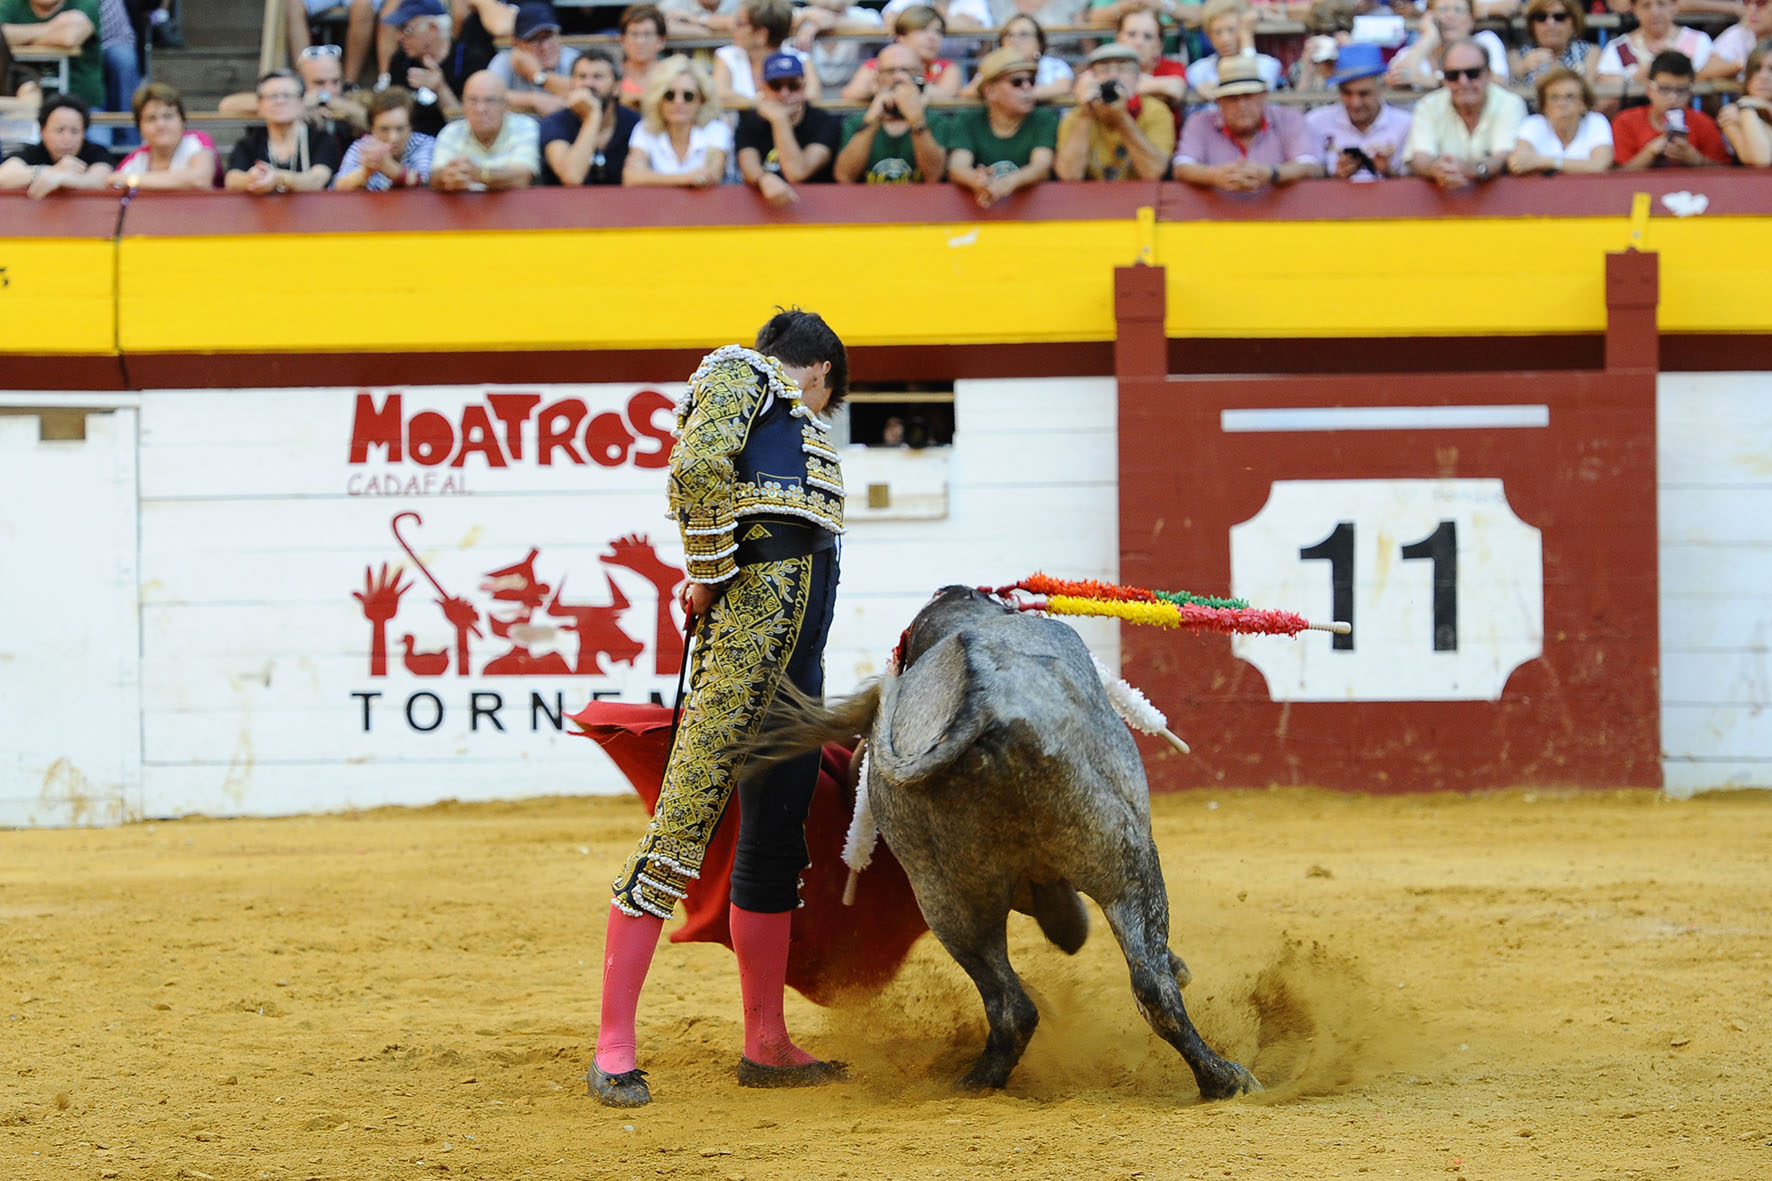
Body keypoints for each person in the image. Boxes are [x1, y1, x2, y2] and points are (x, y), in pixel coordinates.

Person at [591, 309, 851, 1109]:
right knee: (678, 834)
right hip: (743, 660)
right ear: (821, 374)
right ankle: (612, 1047)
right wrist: (706, 575)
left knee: (774, 847)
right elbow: (697, 469)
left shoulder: (801, 441)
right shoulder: (745, 371)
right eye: (827, 393)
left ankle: (765, 1043)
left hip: (797, 677)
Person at [1174, 53, 1322, 191]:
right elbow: (1181, 166)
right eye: (1232, 98)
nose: (1242, 106)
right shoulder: (1200, 122)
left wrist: (1272, 174)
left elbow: (1310, 165)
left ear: (1263, 95)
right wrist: (1215, 176)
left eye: (1248, 96)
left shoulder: (1290, 119)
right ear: (1219, 101)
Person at [1402, 38, 1526, 187]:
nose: (1463, 82)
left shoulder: (1510, 104)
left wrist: (1472, 170)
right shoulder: (1428, 105)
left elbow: (1503, 157)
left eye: (1472, 73)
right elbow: (1420, 157)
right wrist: (1436, 170)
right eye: (1453, 75)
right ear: (1444, 79)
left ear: (1488, 74)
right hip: (1443, 199)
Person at [945, 45, 1058, 208]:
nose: (1027, 87)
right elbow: (957, 167)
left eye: (1031, 80)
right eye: (1017, 82)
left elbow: (1041, 166)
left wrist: (1009, 182)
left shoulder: (1044, 119)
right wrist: (977, 181)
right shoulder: (967, 120)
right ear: (990, 91)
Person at [1054, 42, 1174, 180]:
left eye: (1123, 69)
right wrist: (1085, 115)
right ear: (1091, 77)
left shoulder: (1156, 111)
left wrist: (1121, 118)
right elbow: (1068, 176)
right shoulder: (1077, 115)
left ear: (1137, 77)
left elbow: (1155, 172)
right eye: (1104, 70)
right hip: (1092, 198)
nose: (1113, 76)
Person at [833, 40, 946, 182]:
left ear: (921, 75)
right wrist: (872, 119)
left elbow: (934, 176)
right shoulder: (856, 121)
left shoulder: (937, 121)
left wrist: (916, 118)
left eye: (906, 70)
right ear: (877, 76)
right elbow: (844, 177)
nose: (898, 77)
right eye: (890, 71)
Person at [736, 51, 840, 203]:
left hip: (819, 211)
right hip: (763, 212)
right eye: (775, 86)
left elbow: (796, 173)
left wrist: (780, 120)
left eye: (793, 85)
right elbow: (748, 164)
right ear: (763, 88)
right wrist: (763, 178)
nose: (784, 93)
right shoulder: (750, 122)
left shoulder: (825, 122)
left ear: (804, 86)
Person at [1305, 42, 1412, 179]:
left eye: (1364, 94)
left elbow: (1415, 188)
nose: (1355, 103)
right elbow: (1308, 184)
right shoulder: (1316, 122)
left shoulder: (1406, 124)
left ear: (1382, 88)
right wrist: (1336, 178)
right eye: (1347, 93)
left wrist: (1388, 172)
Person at [225, 69, 342, 192]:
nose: (280, 101)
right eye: (272, 97)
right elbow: (231, 179)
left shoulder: (321, 139)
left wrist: (279, 178)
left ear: (302, 102)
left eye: (287, 95)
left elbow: (318, 179)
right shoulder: (249, 143)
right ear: (260, 106)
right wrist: (250, 178)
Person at [622, 53, 728, 186]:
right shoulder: (644, 129)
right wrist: (688, 178)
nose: (678, 102)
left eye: (688, 96)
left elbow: (712, 176)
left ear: (701, 99)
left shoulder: (716, 130)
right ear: (659, 99)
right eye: (669, 95)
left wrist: (650, 178)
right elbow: (631, 178)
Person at [1612, 49, 1730, 167]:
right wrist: (1650, 153)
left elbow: (1727, 174)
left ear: (1690, 92)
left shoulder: (1704, 124)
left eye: (1681, 90)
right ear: (1649, 89)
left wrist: (1696, 160)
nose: (1673, 98)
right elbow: (1617, 177)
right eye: (1664, 89)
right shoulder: (1625, 121)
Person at [539, 46, 639, 184]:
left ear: (616, 87)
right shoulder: (555, 123)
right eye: (581, 76)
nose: (588, 83)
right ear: (572, 84)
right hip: (566, 204)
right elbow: (572, 177)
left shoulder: (635, 124)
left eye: (598, 77)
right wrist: (592, 116)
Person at [429, 68, 539, 187]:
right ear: (463, 104)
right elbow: (434, 176)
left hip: (513, 205)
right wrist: (448, 176)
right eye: (473, 100)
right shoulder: (451, 131)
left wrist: (481, 175)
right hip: (463, 205)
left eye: (490, 100)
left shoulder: (525, 127)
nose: (480, 109)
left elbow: (522, 177)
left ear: (505, 105)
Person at [840, 4, 962, 103]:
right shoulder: (877, 65)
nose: (933, 37)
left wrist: (891, 82)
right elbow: (850, 94)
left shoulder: (949, 68)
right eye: (922, 30)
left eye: (938, 32)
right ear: (901, 37)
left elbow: (946, 96)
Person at [108, 80, 216, 189]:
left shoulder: (197, 141)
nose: (160, 124)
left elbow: (200, 179)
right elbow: (114, 182)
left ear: (183, 120)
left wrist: (133, 180)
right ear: (140, 127)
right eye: (151, 118)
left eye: (168, 116)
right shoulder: (135, 160)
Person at [0, 91, 111, 195]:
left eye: (75, 131)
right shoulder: (31, 153)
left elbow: (100, 180)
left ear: (84, 132)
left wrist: (62, 178)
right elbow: (3, 176)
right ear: (42, 130)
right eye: (59, 130)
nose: (67, 138)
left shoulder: (97, 152)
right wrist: (48, 171)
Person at [0, 0, 103, 110]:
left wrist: (21, 39)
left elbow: (68, 38)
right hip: (20, 104)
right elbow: (2, 34)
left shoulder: (85, 3)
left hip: (80, 107)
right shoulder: (10, 3)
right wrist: (50, 27)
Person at [379, 0, 462, 137]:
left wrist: (441, 89)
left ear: (432, 29)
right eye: (398, 29)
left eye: (406, 29)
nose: (399, 37)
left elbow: (464, 128)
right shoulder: (400, 61)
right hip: (409, 145)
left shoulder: (467, 59)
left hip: (453, 145)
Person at [1507, 66, 1612, 172]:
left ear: (1583, 103)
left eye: (1569, 97)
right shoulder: (1533, 124)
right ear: (1544, 105)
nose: (1562, 103)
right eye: (1554, 97)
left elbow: (1600, 165)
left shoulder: (1596, 122)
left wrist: (1540, 162)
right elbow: (1517, 163)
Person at [1386, 0, 1508, 88]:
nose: (1451, 16)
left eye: (1458, 10)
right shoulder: (1415, 51)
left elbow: (1497, 81)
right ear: (1429, 17)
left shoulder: (1485, 41)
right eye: (1443, 10)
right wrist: (1429, 39)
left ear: (1471, 19)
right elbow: (1396, 76)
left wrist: (1432, 81)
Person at [1594, 0, 1713, 90]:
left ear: (1674, 5)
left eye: (1661, 4)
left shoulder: (1699, 40)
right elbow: (1604, 90)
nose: (1655, 12)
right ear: (1634, 9)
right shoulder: (1618, 47)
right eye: (1646, 5)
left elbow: (1706, 79)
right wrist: (1639, 75)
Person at [714, 0, 817, 104]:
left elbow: (811, 96)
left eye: (739, 23)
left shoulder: (799, 58)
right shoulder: (728, 56)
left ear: (761, 35)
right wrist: (764, 106)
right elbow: (720, 93)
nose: (732, 27)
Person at [334, 85, 436, 187]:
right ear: (372, 129)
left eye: (400, 129)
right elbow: (339, 187)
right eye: (384, 129)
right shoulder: (361, 147)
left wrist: (389, 167)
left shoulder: (425, 144)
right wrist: (366, 172)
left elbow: (426, 184)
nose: (393, 138)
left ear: (410, 128)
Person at [487, 2, 578, 116]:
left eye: (549, 36)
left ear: (558, 35)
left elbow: (588, 94)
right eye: (534, 39)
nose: (545, 47)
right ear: (516, 43)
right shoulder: (505, 61)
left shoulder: (573, 59)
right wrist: (534, 100)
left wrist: (538, 75)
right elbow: (487, 95)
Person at [959, 14, 1072, 102]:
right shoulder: (994, 66)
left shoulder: (1053, 65)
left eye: (1023, 35)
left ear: (1039, 43)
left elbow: (1063, 87)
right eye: (1008, 35)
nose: (1014, 40)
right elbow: (968, 92)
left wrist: (1019, 96)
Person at [1185, 0, 1284, 98]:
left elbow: (1247, 83)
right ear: (1209, 36)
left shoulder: (1268, 64)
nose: (1225, 39)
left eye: (1231, 29)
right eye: (1217, 32)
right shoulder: (1197, 71)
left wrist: (1246, 35)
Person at [1510, 0, 1596, 87]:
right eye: (1541, 17)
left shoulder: (1589, 53)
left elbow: (1588, 94)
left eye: (1559, 17)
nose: (1550, 23)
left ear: (1574, 22)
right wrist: (1521, 69)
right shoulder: (1517, 56)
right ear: (1532, 25)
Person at [1717, 42, 1772, 165]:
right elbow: (1761, 159)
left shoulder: (1740, 112)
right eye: (1756, 69)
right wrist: (1748, 109)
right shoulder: (1732, 112)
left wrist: (1766, 108)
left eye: (1771, 70)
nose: (1763, 76)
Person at [1700, 0, 1772, 81]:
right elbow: (1703, 72)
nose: (1752, 9)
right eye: (1746, 2)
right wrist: (1742, 65)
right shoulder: (1740, 32)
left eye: (1761, 3)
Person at [617, 3, 667, 108]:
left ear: (661, 41)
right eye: (634, 34)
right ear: (622, 40)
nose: (640, 41)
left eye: (647, 34)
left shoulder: (671, 74)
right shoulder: (613, 75)